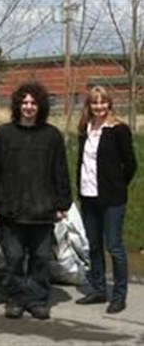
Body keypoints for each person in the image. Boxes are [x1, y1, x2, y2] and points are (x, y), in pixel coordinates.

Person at [0, 82, 72, 320]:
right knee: (14, 259)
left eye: (33, 103)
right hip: (11, 210)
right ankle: (16, 299)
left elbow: (60, 171)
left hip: (42, 210)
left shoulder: (52, 136)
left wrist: (62, 204)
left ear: (40, 106)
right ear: (18, 105)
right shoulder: (3, 135)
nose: (28, 107)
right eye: (24, 102)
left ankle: (37, 300)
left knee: (40, 259)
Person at [74, 86, 137, 314]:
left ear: (109, 104)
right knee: (93, 245)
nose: (98, 107)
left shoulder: (118, 129)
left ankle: (119, 295)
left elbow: (130, 164)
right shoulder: (85, 128)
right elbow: (82, 162)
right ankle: (98, 289)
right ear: (89, 106)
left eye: (103, 103)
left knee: (114, 246)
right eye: (94, 103)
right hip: (88, 196)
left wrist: (118, 186)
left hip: (112, 199)